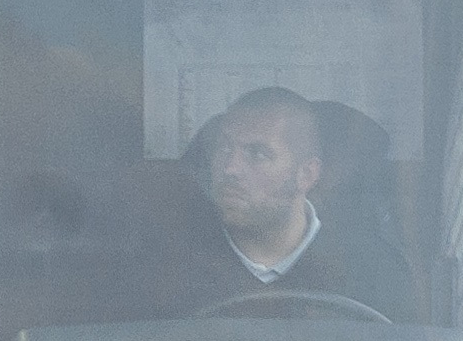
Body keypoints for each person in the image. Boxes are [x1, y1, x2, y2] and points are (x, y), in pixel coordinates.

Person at [163, 85, 417, 320]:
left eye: (257, 154)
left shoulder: (377, 273)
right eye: (224, 148)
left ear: (306, 175)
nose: (230, 168)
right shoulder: (169, 266)